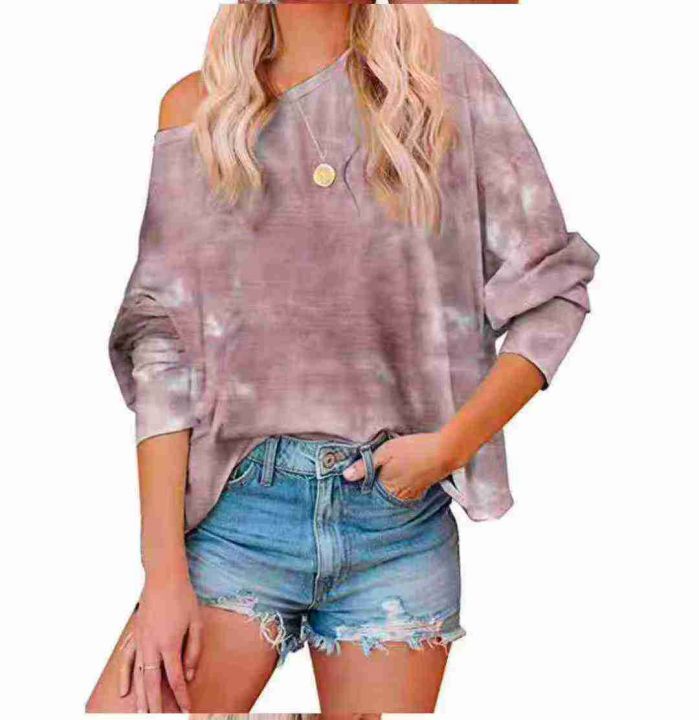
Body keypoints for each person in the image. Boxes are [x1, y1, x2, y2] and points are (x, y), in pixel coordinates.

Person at [85, 2, 598, 714]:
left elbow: (551, 290)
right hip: (239, 517)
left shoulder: (441, 77)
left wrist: (451, 445)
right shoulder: (198, 107)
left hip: (395, 525)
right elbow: (163, 347)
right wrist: (164, 571)